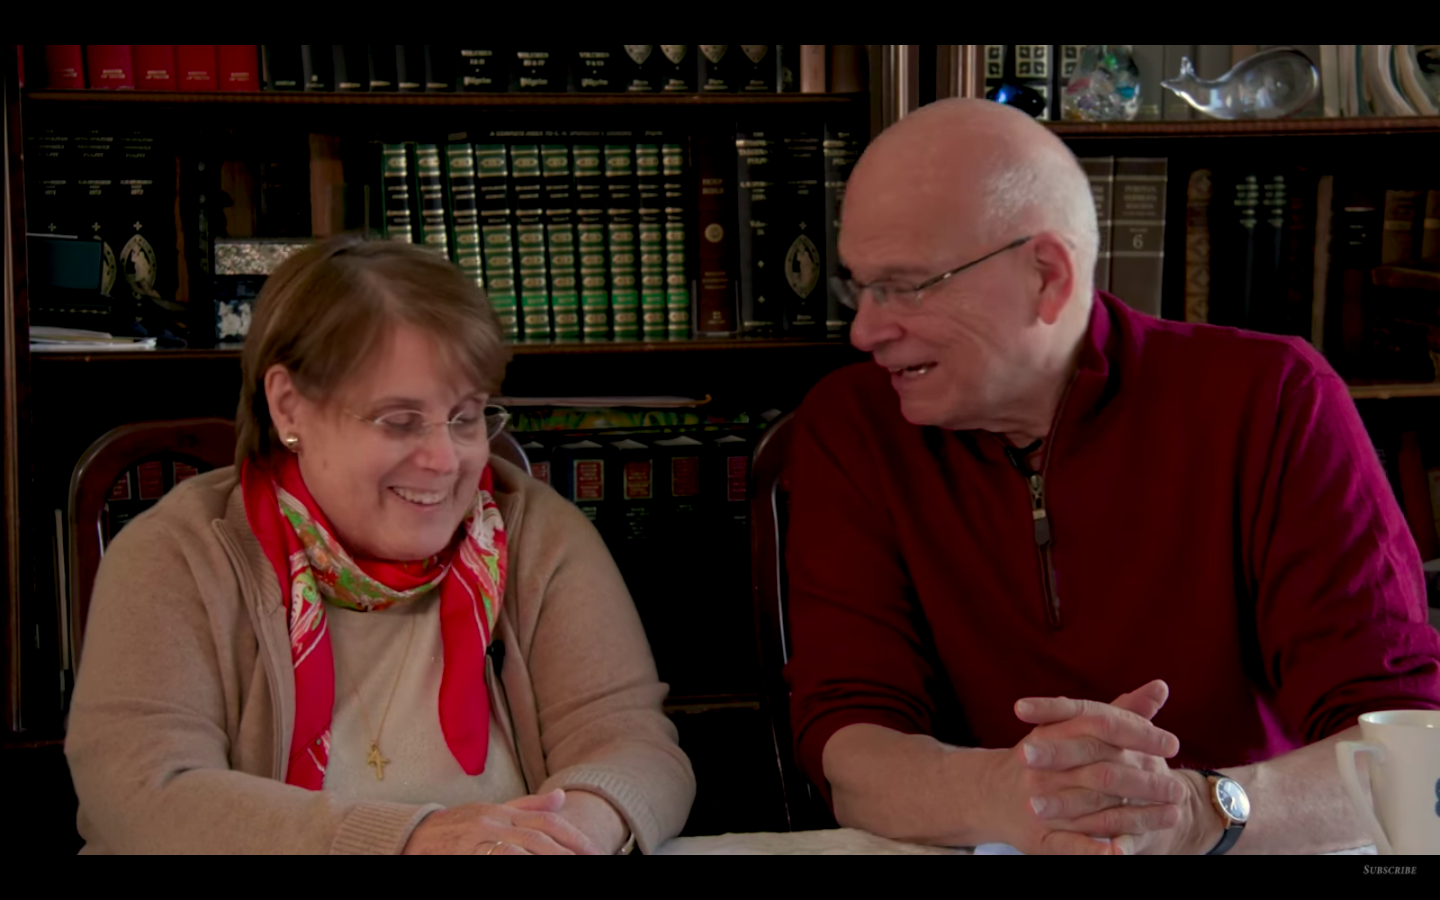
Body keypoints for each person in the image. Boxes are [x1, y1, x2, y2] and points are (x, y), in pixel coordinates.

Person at [784, 99, 1440, 855]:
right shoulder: (851, 424)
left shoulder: (1273, 399)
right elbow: (849, 741)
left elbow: (1404, 745)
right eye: (859, 287)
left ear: (1048, 277)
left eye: (903, 287)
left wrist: (1191, 811)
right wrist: (1014, 794)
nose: (865, 330)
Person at [65, 236, 695, 854]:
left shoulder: (538, 536)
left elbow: (632, 743)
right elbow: (144, 794)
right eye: (400, 420)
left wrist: (574, 830)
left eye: (466, 416)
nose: (447, 459)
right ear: (289, 408)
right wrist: (408, 841)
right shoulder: (174, 555)